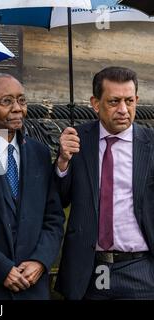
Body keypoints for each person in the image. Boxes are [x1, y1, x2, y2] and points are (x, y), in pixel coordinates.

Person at [55, 66, 154, 300]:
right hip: (88, 269)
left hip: (140, 269)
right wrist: (62, 162)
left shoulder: (150, 144)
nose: (123, 109)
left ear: (137, 100)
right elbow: (59, 199)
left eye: (129, 101)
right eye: (114, 101)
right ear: (96, 103)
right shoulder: (76, 140)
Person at [0, 73, 65, 299]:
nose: (18, 108)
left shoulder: (39, 153)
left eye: (22, 100)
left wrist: (40, 260)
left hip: (33, 287)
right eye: (7, 101)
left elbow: (54, 217)